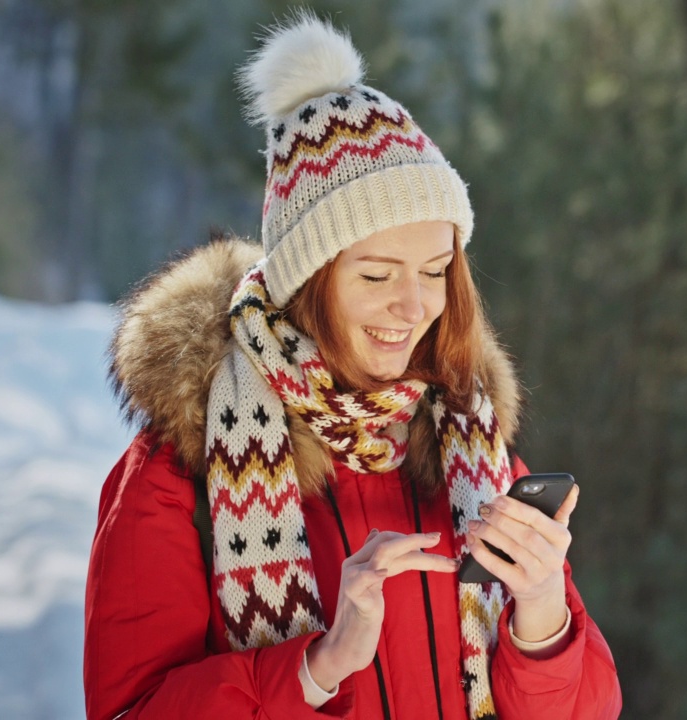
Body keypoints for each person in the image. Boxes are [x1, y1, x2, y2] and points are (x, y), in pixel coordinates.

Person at [83, 14, 621, 719]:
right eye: (376, 276)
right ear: (307, 281)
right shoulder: (178, 472)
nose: (414, 304)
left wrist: (543, 611)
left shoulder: (470, 445)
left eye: (435, 270)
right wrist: (318, 665)